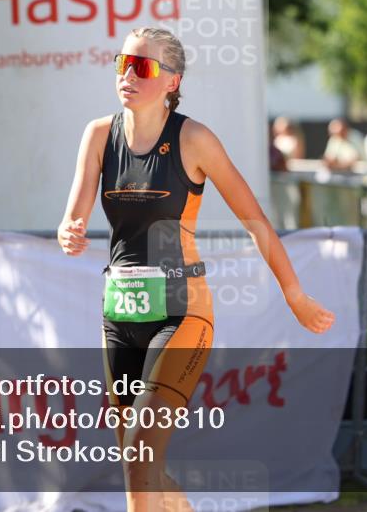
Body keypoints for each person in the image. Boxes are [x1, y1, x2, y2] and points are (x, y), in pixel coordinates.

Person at [57, 26, 335, 512]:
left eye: (141, 67)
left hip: (181, 311)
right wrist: (69, 230)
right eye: (121, 63)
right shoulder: (99, 134)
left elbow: (256, 221)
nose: (127, 75)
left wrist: (294, 294)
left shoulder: (194, 139)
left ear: (171, 80)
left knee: (140, 457)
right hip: (119, 312)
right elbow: (74, 212)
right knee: (138, 461)